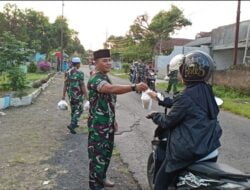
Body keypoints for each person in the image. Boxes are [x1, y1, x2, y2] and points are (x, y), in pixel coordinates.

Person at [147, 51, 223, 190]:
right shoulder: (206, 90)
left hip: (189, 149)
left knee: (159, 184)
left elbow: (168, 121)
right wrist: (160, 99)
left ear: (187, 72)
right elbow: (184, 105)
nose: (180, 75)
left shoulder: (187, 95)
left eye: (181, 71)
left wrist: (155, 116)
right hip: (208, 146)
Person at [87, 49, 148, 190]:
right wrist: (133, 86)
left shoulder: (104, 76)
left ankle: (102, 177)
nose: (108, 63)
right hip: (98, 126)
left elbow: (108, 102)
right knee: (97, 157)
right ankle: (96, 185)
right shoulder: (95, 79)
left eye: (109, 60)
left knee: (106, 154)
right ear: (95, 63)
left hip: (107, 124)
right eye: (104, 60)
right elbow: (111, 89)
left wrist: (113, 121)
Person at [62, 57, 88, 134]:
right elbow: (82, 85)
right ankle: (73, 124)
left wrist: (63, 95)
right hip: (78, 94)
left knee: (73, 108)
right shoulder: (80, 73)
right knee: (79, 109)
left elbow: (65, 85)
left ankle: (74, 123)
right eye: (79, 63)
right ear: (78, 64)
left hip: (70, 94)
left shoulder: (67, 72)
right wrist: (86, 96)